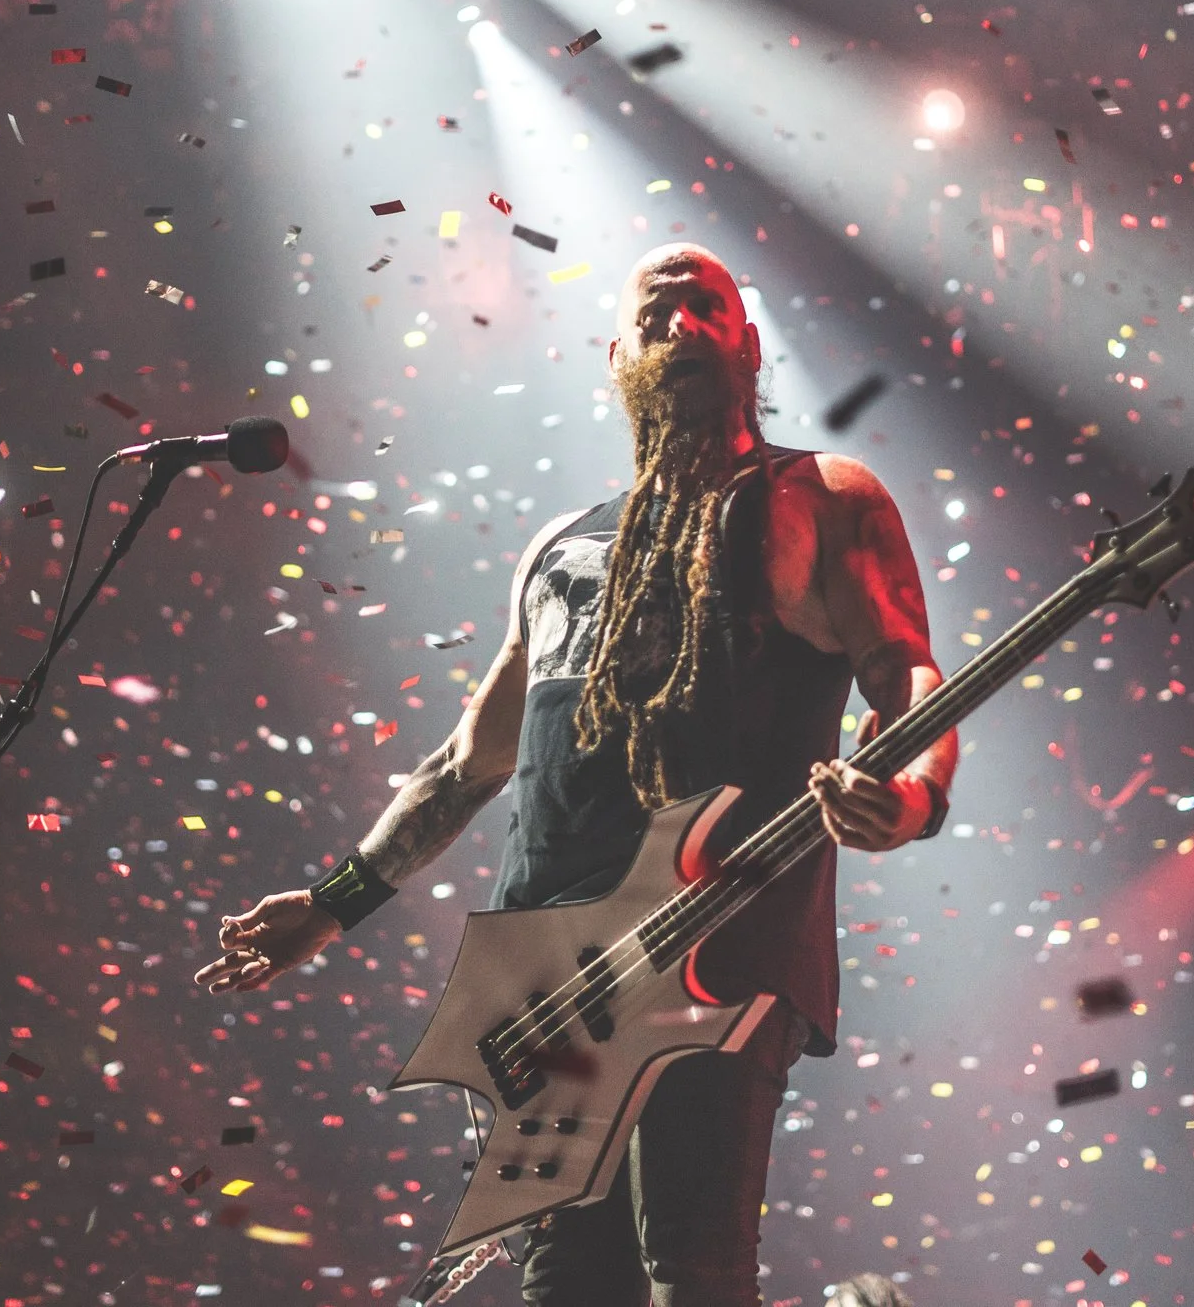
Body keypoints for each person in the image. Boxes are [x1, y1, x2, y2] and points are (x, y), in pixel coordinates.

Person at [195, 244, 958, 1306]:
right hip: (542, 982)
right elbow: (469, 765)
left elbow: (907, 669)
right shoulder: (561, 548)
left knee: (689, 1270)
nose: (685, 326)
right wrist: (332, 906)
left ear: (745, 344)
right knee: (566, 1288)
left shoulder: (819, 497)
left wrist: (912, 797)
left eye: (709, 309)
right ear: (618, 355)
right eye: (661, 313)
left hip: (714, 950)